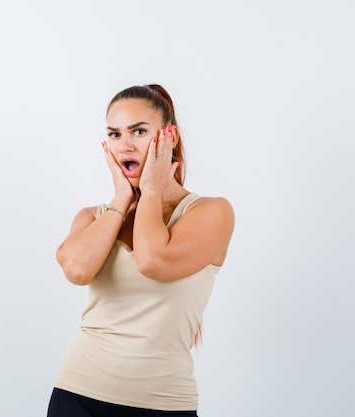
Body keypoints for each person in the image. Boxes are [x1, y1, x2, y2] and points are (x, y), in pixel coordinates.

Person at [47, 84, 235, 416]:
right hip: (77, 393)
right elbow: (76, 270)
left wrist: (149, 188)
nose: (125, 144)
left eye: (139, 131)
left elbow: (152, 260)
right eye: (115, 134)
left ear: (169, 137)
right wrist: (121, 199)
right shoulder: (94, 216)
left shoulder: (210, 212)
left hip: (161, 404)